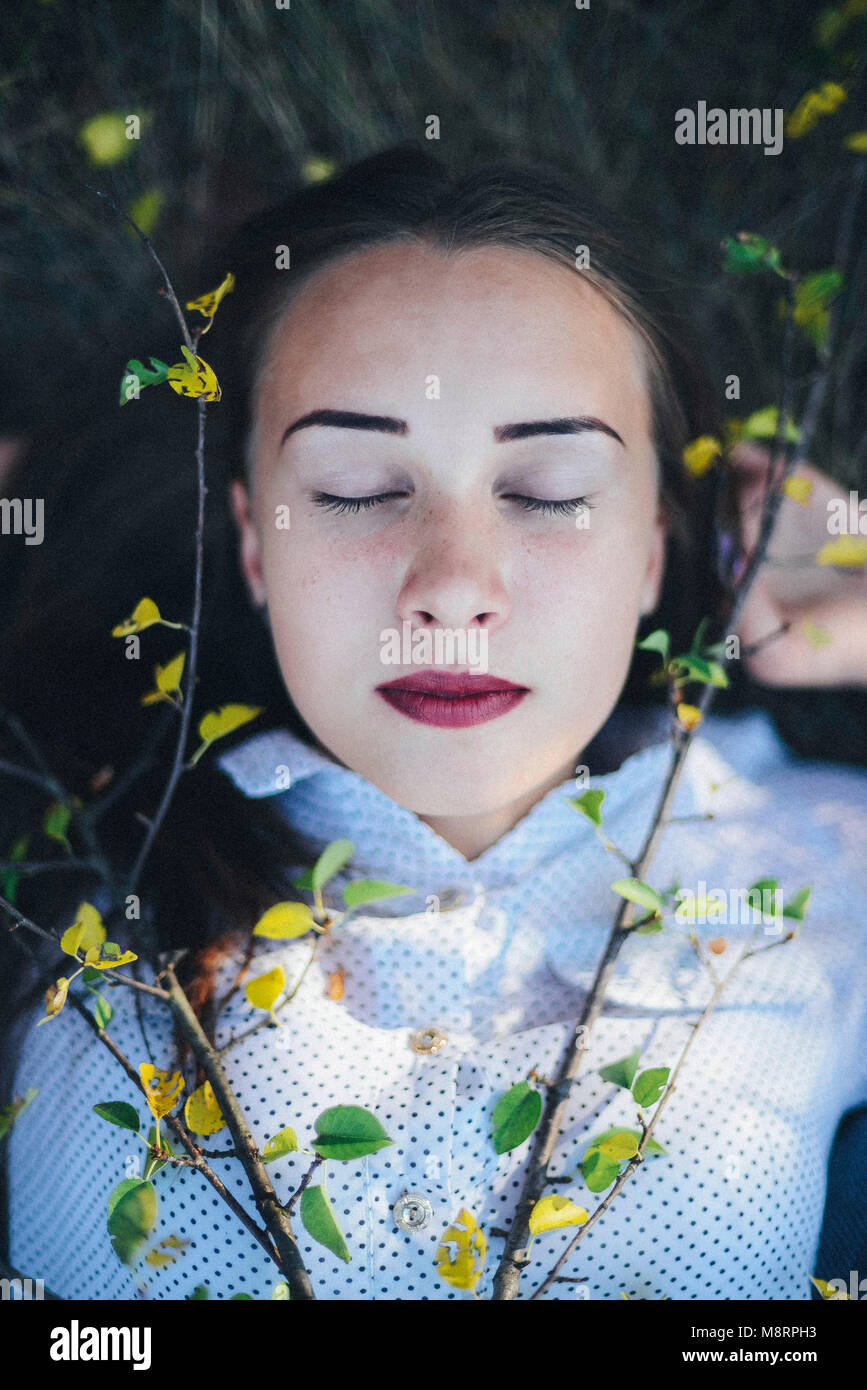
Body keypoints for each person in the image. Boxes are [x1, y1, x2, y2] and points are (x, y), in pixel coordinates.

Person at [2, 145, 867, 1300]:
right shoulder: (59, 858)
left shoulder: (827, 866)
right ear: (255, 541)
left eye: (550, 490)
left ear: (656, 542)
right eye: (357, 487)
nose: (452, 585)